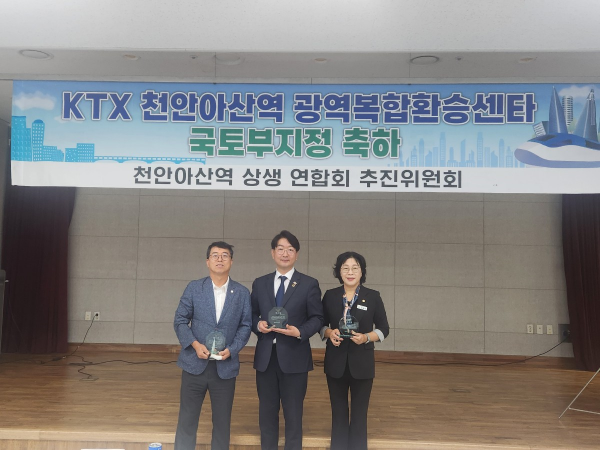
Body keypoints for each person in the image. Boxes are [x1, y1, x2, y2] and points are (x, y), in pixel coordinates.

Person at [173, 241, 251, 450]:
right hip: (194, 364)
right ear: (207, 261)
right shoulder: (194, 288)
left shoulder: (242, 293)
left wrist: (232, 350)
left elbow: (246, 326)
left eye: (225, 255)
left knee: (222, 424)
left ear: (231, 262)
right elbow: (180, 320)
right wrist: (194, 344)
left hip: (225, 368)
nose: (220, 259)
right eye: (215, 255)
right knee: (187, 420)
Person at [251, 230, 324, 450]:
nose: (285, 253)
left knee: (293, 415)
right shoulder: (260, 283)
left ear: (297, 254)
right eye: (281, 249)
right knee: (266, 414)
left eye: (290, 250)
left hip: (295, 357)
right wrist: (258, 325)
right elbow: (251, 314)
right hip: (266, 359)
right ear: (273, 253)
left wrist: (299, 332)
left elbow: (317, 318)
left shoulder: (308, 284)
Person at [321, 251, 390, 450]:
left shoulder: (373, 296)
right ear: (339, 272)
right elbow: (320, 324)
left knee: (359, 415)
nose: (350, 272)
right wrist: (329, 333)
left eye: (355, 268)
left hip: (362, 363)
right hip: (335, 362)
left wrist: (366, 337)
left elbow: (384, 329)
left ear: (362, 272)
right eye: (345, 268)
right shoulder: (330, 295)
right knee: (338, 414)